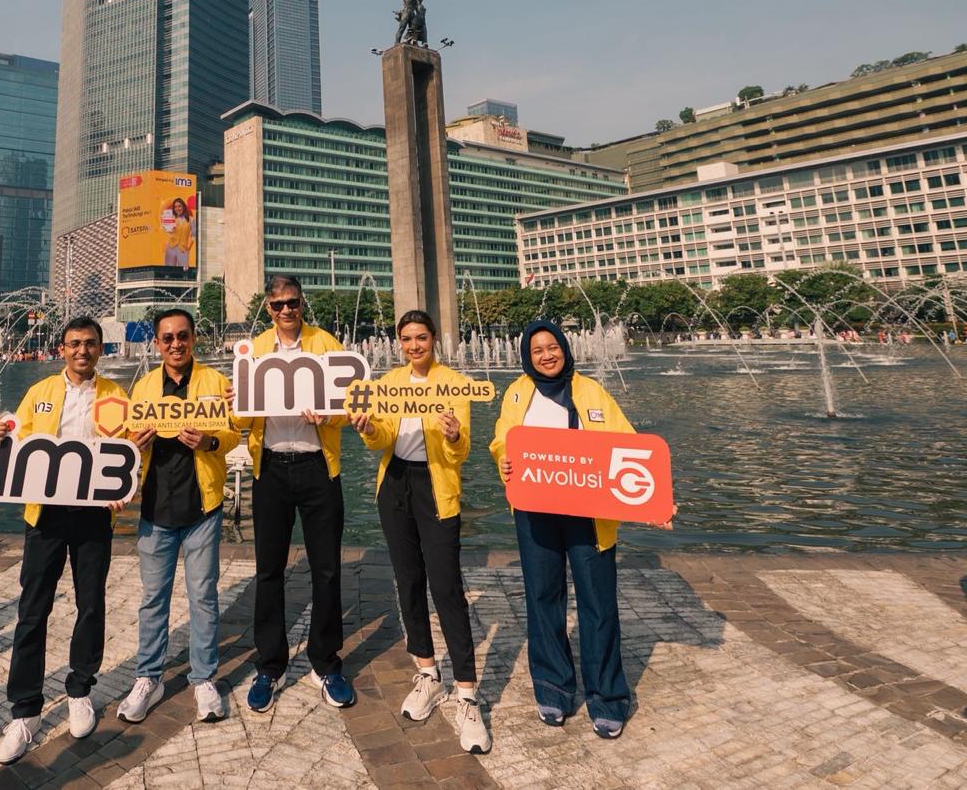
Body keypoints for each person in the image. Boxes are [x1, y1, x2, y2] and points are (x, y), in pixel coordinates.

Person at [489, 318, 671, 741]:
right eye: (537, 350)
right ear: (527, 357)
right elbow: (502, 439)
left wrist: (655, 500)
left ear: (565, 349)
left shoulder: (592, 391)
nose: (546, 356)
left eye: (552, 347)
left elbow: (629, 445)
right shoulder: (517, 392)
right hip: (535, 509)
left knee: (598, 602)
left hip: (589, 512)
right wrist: (504, 459)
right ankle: (553, 688)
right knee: (543, 598)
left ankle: (607, 698)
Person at [0, 316, 129, 764]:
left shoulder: (116, 396)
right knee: (33, 610)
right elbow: (17, 439)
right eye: (74, 344)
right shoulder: (40, 392)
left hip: (93, 514)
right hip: (45, 514)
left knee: (91, 603)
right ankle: (25, 710)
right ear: (62, 349)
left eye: (90, 343)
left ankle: (80, 689)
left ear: (101, 349)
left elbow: (129, 452)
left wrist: (125, 486)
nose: (82, 350)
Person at [349, 310, 490, 754]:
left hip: (436, 486)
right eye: (407, 339)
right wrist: (369, 429)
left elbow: (461, 451)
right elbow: (381, 437)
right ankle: (427, 671)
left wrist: (454, 435)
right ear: (399, 342)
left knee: (446, 588)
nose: (414, 346)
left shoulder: (453, 383)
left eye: (421, 338)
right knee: (408, 581)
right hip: (395, 484)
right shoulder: (388, 384)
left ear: (433, 340)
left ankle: (466, 692)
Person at [226, 274, 355, 711]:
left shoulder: (326, 343)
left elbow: (350, 405)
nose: (286, 311)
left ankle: (326, 661)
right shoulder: (254, 350)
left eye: (293, 303)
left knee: (327, 568)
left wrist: (328, 416)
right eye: (279, 304)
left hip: (319, 465)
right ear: (268, 308)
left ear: (302, 304)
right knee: (268, 570)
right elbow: (240, 423)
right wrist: (235, 404)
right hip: (271, 467)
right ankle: (270, 664)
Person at [116, 308, 240, 725]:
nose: (175, 344)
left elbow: (233, 433)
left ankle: (203, 677)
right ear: (156, 343)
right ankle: (148, 677)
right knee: (153, 598)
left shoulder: (214, 382)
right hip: (155, 507)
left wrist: (209, 442)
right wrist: (136, 443)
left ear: (193, 339)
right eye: (167, 338)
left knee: (203, 596)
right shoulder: (144, 386)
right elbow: (126, 440)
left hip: (202, 506)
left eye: (182, 336)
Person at [164, 198, 193, 268]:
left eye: (179, 206)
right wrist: (169, 229)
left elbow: (194, 235)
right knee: (169, 270)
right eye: (175, 207)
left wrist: (188, 248)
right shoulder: (171, 218)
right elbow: (167, 231)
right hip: (171, 247)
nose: (177, 208)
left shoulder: (191, 219)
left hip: (183, 248)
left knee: (184, 271)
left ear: (183, 207)